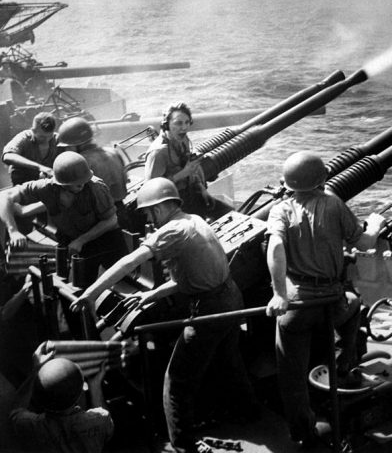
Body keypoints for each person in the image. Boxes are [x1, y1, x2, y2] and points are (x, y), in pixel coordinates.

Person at [70, 177, 259, 453]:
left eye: (147, 212)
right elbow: (192, 277)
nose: (148, 218)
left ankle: (182, 444)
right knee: (230, 360)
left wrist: (90, 292)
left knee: (177, 380)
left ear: (159, 209)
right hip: (231, 298)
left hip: (210, 309)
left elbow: (129, 262)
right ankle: (250, 412)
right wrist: (150, 295)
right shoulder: (195, 220)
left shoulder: (170, 231)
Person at [265, 151, 386, 447]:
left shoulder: (280, 210)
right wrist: (375, 224)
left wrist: (279, 294)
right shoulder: (334, 205)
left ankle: (303, 434)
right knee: (353, 305)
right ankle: (343, 366)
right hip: (331, 303)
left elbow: (276, 248)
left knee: (292, 377)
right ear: (322, 179)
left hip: (298, 306)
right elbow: (365, 243)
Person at [0, 151, 129, 287]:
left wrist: (81, 240)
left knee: (121, 283)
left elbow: (111, 220)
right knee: (77, 288)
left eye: (84, 180)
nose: (83, 185)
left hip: (106, 241)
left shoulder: (95, 187)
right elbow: (4, 197)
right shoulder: (46, 188)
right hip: (74, 244)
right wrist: (13, 230)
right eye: (77, 183)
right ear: (61, 183)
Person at [9, 342, 113, 453]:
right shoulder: (101, 420)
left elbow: (16, 409)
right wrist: (95, 385)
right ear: (81, 392)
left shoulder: (29, 426)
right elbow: (108, 431)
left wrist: (36, 369)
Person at [57, 116, 129, 228]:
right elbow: (125, 179)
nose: (67, 150)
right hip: (122, 212)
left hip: (98, 222)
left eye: (68, 147)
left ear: (76, 145)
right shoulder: (113, 152)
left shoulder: (80, 162)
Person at [144, 102, 212, 216]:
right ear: (166, 125)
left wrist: (201, 188)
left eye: (187, 122)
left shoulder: (183, 140)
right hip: (171, 207)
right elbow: (151, 191)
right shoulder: (158, 152)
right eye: (178, 123)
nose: (184, 128)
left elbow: (190, 168)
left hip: (190, 196)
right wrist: (182, 174)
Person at [2, 111, 60, 185]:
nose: (46, 140)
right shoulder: (23, 137)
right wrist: (39, 167)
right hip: (23, 183)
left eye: (49, 136)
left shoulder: (57, 138)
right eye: (42, 137)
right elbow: (7, 156)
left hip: (47, 182)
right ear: (33, 130)